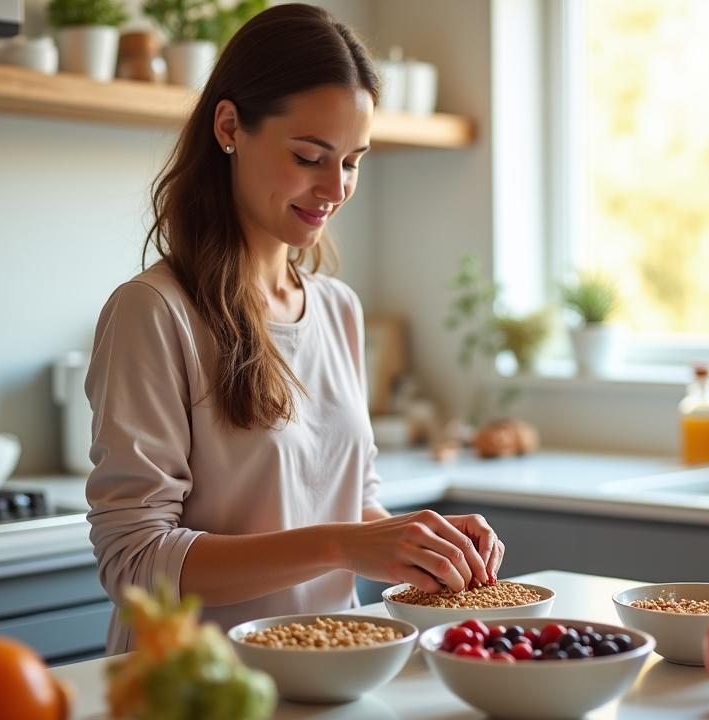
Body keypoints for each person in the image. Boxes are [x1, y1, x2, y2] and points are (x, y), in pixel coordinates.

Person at [85, 3, 506, 654]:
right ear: (229, 126)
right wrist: (344, 543)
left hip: (328, 679)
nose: (334, 188)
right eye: (310, 156)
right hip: (194, 693)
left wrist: (421, 546)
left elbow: (348, 505)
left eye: (353, 160)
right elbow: (136, 565)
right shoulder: (154, 312)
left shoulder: (339, 310)